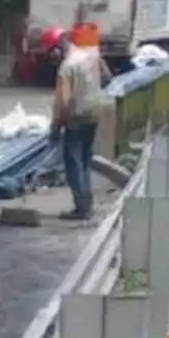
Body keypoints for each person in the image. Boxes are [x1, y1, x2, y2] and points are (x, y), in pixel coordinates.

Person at [49, 22, 112, 220]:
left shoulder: (67, 67)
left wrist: (56, 124)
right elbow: (108, 77)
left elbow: (64, 100)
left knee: (73, 162)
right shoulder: (94, 58)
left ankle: (82, 206)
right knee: (85, 158)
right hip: (94, 113)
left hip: (76, 117)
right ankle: (88, 202)